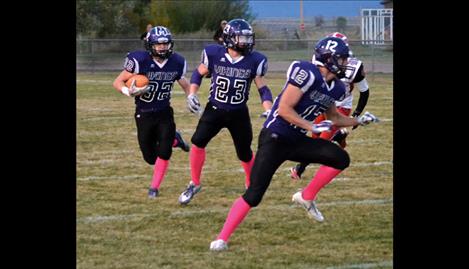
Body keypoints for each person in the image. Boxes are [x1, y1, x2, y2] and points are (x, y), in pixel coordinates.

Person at [209, 36, 379, 251]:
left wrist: (358, 120)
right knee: (254, 195)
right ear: (329, 58)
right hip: (275, 137)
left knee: (340, 158)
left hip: (297, 139)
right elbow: (284, 110)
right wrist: (311, 127)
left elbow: (334, 117)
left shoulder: (336, 87)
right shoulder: (306, 72)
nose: (346, 64)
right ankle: (221, 238)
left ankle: (305, 196)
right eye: (343, 59)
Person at [178, 19, 273, 205]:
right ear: (229, 38)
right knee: (197, 141)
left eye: (247, 38)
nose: (246, 42)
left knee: (244, 153)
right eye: (242, 38)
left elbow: (263, 88)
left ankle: (251, 184)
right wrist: (192, 94)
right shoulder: (213, 53)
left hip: (238, 112)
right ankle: (195, 183)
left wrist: (268, 109)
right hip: (214, 108)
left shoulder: (255, 60)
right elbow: (198, 73)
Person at [112, 26, 191, 199]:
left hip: (164, 112)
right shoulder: (139, 60)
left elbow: (184, 83)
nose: (162, 47)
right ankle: (175, 140)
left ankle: (154, 188)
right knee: (150, 157)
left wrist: (190, 96)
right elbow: (118, 82)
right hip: (144, 113)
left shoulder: (176, 62)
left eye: (165, 44)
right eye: (158, 44)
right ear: (150, 44)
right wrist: (128, 91)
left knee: (164, 152)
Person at [290, 32, 371, 179]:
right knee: (315, 135)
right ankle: (339, 137)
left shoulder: (353, 68)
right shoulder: (320, 64)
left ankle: (299, 169)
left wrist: (357, 114)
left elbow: (364, 91)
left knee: (321, 141)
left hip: (341, 107)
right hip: (324, 103)